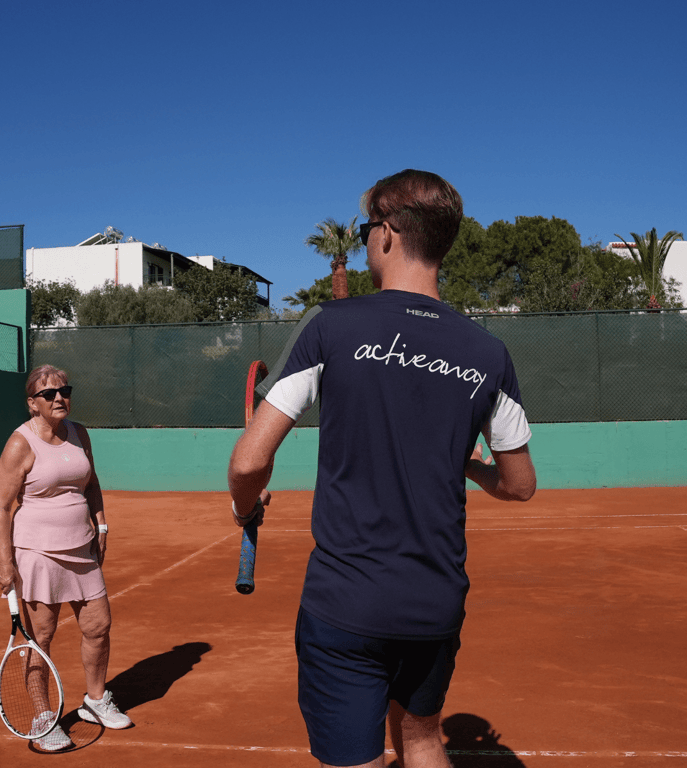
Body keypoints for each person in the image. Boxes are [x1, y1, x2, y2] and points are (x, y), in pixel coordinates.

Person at [227, 169, 537, 768]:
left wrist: (245, 507)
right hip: (437, 602)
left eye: (368, 226)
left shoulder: (331, 325)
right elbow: (521, 485)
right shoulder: (489, 354)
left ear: (390, 232)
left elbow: (250, 460)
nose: (367, 238)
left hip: (347, 604)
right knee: (422, 739)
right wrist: (471, 468)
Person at [0, 364, 132, 751]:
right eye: (49, 394)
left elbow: (93, 485)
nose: (59, 398)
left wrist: (100, 526)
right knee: (41, 637)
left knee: (98, 626)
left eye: (64, 390)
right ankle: (43, 717)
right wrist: (5, 562)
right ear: (32, 404)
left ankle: (96, 700)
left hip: (82, 549)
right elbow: (1, 507)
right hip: (38, 553)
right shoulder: (21, 443)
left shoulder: (79, 434)